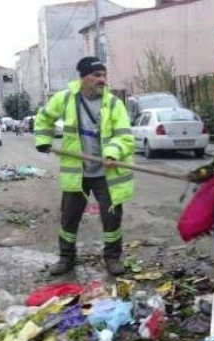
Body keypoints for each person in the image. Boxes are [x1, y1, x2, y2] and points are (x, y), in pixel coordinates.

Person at [34, 56, 135, 276]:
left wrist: (112, 152)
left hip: (106, 173)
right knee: (69, 218)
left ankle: (112, 258)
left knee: (112, 218)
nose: (102, 80)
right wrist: (43, 140)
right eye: (96, 75)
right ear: (83, 78)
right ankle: (66, 258)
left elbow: (125, 137)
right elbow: (43, 118)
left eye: (104, 75)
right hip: (77, 173)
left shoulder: (114, 104)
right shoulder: (66, 99)